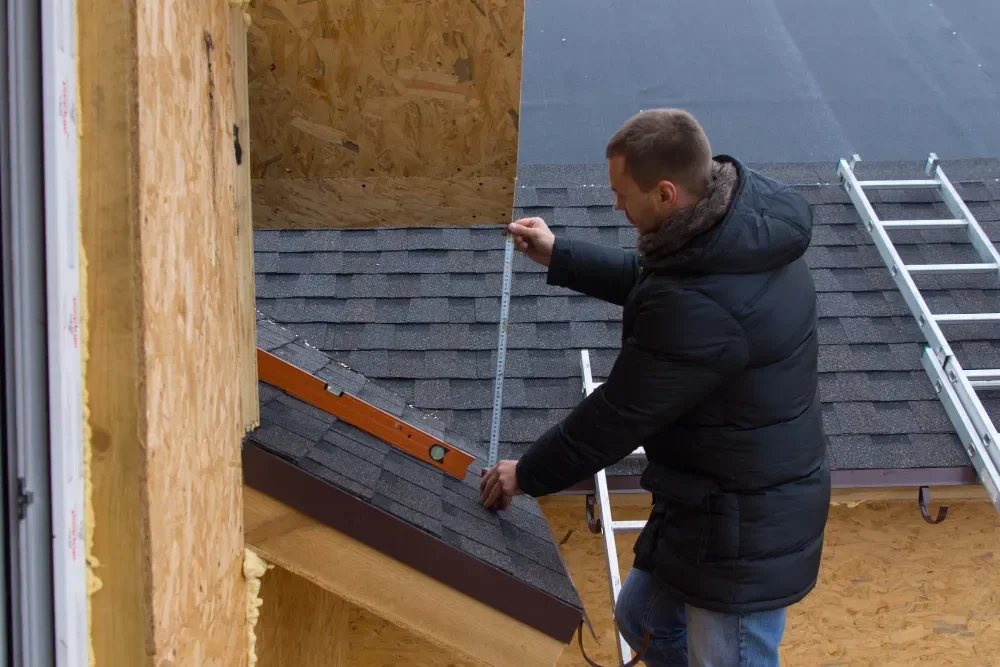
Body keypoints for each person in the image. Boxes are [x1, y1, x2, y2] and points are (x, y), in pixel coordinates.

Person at [480, 108, 829, 666]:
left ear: (666, 194)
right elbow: (665, 284)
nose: (616, 204)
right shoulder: (736, 229)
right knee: (642, 619)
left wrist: (524, 473)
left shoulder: (700, 304)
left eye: (623, 193)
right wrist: (561, 253)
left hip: (741, 530)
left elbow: (616, 416)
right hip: (713, 494)